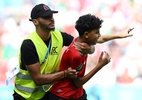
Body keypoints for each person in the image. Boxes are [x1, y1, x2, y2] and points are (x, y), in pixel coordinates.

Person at [13, 3, 133, 100]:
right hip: (25, 96)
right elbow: (38, 80)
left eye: (51, 16)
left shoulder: (58, 36)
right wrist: (65, 73)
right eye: (46, 17)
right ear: (35, 22)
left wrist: (116, 36)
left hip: (46, 94)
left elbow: (87, 40)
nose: (51, 19)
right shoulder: (28, 45)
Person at [49, 14, 133, 100]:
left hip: (77, 93)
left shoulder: (81, 40)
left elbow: (101, 39)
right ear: (86, 34)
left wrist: (120, 35)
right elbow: (78, 83)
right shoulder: (75, 54)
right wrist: (99, 65)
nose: (99, 35)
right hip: (63, 95)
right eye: (97, 32)